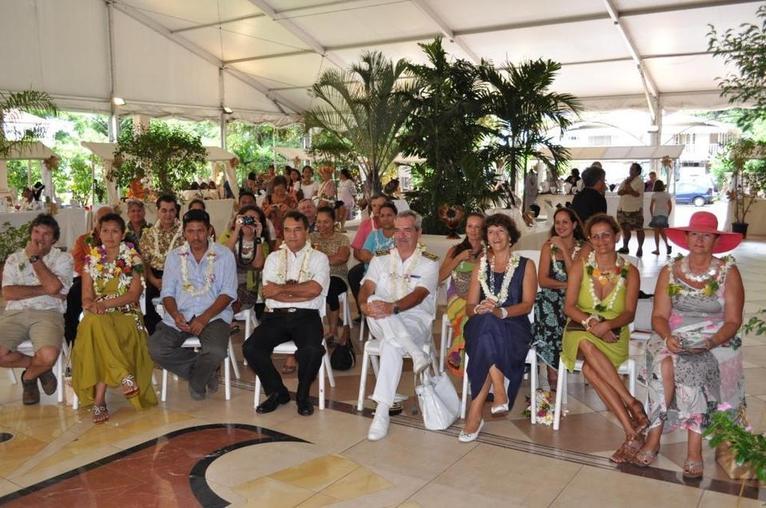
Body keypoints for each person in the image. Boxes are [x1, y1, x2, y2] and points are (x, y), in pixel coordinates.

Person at [633, 212, 744, 478]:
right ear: (687, 237)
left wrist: (711, 342)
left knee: (695, 366)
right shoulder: (670, 270)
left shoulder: (728, 272)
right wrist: (668, 337)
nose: (699, 240)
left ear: (715, 240)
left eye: (706, 235)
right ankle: (654, 436)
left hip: (716, 336)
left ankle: (694, 449)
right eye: (695, 234)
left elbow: (733, 320)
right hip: (673, 332)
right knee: (663, 363)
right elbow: (658, 316)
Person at [561, 213, 643, 463]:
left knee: (589, 369)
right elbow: (569, 307)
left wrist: (608, 325)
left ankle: (631, 432)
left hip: (615, 334)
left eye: (606, 234)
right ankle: (632, 403)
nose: (600, 241)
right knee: (585, 342)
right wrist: (592, 323)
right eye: (595, 236)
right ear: (589, 239)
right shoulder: (581, 266)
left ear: (616, 236)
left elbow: (629, 313)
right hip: (579, 328)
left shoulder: (630, 271)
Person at [359, 210, 440, 441]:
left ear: (418, 233)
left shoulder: (429, 262)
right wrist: (364, 305)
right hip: (378, 319)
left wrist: (393, 308)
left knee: (391, 346)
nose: (401, 235)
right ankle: (415, 353)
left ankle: (382, 412)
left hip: (415, 320)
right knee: (374, 300)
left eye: (407, 229)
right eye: (397, 230)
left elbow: (419, 295)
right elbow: (366, 288)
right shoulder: (381, 257)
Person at [242, 211, 330, 417]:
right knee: (251, 348)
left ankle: (302, 395)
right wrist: (300, 292)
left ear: (307, 231)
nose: (292, 235)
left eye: (297, 230)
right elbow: (268, 292)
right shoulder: (273, 258)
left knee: (312, 350)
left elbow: (315, 290)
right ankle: (278, 392)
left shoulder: (320, 258)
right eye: (288, 230)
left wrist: (282, 291)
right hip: (275, 316)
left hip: (307, 316)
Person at [72, 213, 157, 422]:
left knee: (95, 327)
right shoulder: (91, 259)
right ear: (98, 233)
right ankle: (123, 376)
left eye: (115, 231)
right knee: (95, 323)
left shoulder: (133, 258)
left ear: (122, 234)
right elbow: (85, 296)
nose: (109, 236)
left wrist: (103, 304)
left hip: (126, 315)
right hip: (98, 314)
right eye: (105, 231)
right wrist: (92, 305)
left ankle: (100, 401)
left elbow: (133, 295)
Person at [459, 214, 537, 442]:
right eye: (491, 231)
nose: (495, 236)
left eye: (501, 231)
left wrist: (500, 311)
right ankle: (499, 386)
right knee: (485, 324)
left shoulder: (526, 265)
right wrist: (482, 309)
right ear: (486, 237)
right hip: (482, 321)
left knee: (486, 335)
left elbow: (527, 304)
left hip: (514, 324)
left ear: (511, 236)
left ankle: (475, 412)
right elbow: (468, 307)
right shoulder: (480, 267)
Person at [148, 209, 238, 400]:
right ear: (184, 233)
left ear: (209, 231)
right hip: (180, 314)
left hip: (213, 316)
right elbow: (167, 293)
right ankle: (204, 372)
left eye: (200, 231)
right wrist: (174, 314)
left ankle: (197, 381)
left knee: (216, 351)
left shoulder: (224, 255)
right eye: (191, 231)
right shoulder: (174, 257)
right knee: (155, 348)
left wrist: (205, 318)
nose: (196, 237)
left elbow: (228, 293)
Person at [0, 214, 73, 405]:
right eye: (36, 231)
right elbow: (8, 293)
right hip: (14, 313)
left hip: (48, 313)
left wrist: (35, 259)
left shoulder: (63, 259)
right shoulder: (14, 259)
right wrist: (46, 289)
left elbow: (56, 289)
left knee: (48, 355)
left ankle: (29, 377)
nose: (38, 238)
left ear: (54, 239)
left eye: (46, 234)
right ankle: (40, 369)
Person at [532, 208, 586, 388]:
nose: (560, 226)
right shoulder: (548, 247)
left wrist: (563, 248)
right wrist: (566, 286)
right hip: (552, 296)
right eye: (557, 222)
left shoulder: (584, 247)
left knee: (561, 306)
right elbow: (543, 280)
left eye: (565, 222)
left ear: (574, 224)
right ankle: (552, 371)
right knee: (544, 301)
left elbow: (576, 276)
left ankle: (558, 366)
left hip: (578, 297)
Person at [438, 212, 484, 378]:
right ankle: (460, 351)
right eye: (470, 226)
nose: (473, 231)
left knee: (476, 313)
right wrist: (458, 259)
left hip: (479, 298)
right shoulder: (456, 250)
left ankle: (459, 349)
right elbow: (439, 277)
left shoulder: (489, 252)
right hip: (456, 296)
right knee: (469, 315)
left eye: (477, 227)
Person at [65, 206, 113, 345]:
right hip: (87, 279)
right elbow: (77, 261)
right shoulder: (83, 240)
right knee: (73, 294)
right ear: (95, 222)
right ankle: (71, 339)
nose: (104, 224)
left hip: (114, 279)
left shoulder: (121, 238)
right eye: (101, 220)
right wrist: (92, 274)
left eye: (108, 220)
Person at [140, 194, 184, 335]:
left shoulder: (185, 232)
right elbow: (144, 261)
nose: (168, 214)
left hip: (180, 277)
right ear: (158, 211)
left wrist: (170, 281)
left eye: (171, 210)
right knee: (144, 302)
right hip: (154, 277)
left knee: (183, 303)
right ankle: (156, 335)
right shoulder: (148, 234)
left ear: (176, 211)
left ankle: (178, 333)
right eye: (164, 210)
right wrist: (153, 279)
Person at [222, 205, 270, 320]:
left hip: (249, 286)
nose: (248, 222)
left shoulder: (262, 243)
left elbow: (258, 265)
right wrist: (237, 228)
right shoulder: (232, 239)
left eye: (253, 219)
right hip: (230, 284)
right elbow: (224, 256)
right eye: (246, 218)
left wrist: (258, 235)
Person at [310, 206, 351, 343]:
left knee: (330, 287)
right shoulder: (311, 237)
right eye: (319, 221)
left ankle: (332, 331)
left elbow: (341, 258)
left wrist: (320, 259)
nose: (322, 225)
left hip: (337, 275)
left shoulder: (342, 238)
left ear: (334, 221)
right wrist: (328, 259)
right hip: (314, 275)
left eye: (326, 221)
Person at [348, 194, 388, 317]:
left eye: (380, 205)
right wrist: (373, 259)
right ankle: (363, 311)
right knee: (354, 274)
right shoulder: (366, 225)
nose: (377, 209)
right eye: (374, 206)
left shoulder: (396, 226)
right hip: (369, 264)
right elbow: (357, 252)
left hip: (392, 265)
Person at [617, 162, 645, 257]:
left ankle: (640, 247)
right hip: (623, 209)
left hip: (635, 210)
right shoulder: (626, 180)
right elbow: (619, 192)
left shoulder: (639, 182)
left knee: (639, 229)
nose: (630, 171)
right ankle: (625, 247)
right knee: (625, 229)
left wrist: (628, 186)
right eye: (630, 169)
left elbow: (635, 194)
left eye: (633, 169)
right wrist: (628, 189)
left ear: (638, 172)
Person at [263, 175, 298, 240]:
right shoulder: (268, 199)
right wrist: (269, 209)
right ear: (273, 188)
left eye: (282, 190)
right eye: (277, 190)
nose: (279, 193)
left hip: (288, 229)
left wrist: (289, 209)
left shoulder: (290, 198)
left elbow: (297, 215)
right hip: (271, 231)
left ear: (285, 188)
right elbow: (262, 216)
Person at [649, 180, 673, 256]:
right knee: (662, 232)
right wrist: (667, 215)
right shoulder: (667, 195)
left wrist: (652, 216)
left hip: (656, 215)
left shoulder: (654, 195)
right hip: (664, 215)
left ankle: (657, 249)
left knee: (656, 233)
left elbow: (651, 207)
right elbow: (670, 206)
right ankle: (667, 245)